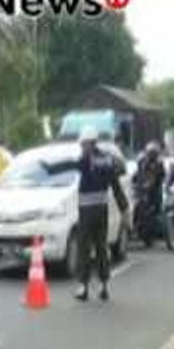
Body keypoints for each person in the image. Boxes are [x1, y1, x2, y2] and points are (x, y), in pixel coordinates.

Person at [44, 126, 129, 301]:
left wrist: (49, 168)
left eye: (83, 144)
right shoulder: (107, 160)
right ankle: (104, 286)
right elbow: (117, 187)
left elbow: (69, 164)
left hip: (87, 213)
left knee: (84, 248)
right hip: (102, 211)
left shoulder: (86, 159)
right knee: (101, 247)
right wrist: (124, 209)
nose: (82, 148)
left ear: (89, 143)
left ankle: (83, 288)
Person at [134, 141, 165, 242]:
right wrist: (137, 183)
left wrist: (152, 183)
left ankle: (158, 230)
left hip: (155, 190)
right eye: (150, 152)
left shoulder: (159, 163)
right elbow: (138, 176)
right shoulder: (143, 162)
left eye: (153, 152)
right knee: (138, 207)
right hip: (143, 190)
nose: (151, 154)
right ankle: (137, 228)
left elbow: (160, 176)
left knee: (157, 209)